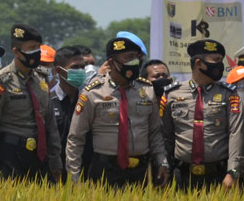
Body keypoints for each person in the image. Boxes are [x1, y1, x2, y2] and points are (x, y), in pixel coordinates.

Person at [67, 37, 168, 187]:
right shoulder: (93, 92)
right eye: (128, 57)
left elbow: (155, 132)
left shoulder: (147, 90)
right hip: (105, 169)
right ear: (112, 61)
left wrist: (162, 162)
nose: (134, 62)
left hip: (140, 169)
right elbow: (76, 138)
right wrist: (73, 177)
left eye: (136, 57)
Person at [0, 24, 62, 181]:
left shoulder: (42, 78)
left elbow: (50, 124)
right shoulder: (1, 81)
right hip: (10, 155)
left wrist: (56, 161)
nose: (37, 52)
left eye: (38, 47)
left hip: (39, 154)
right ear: (16, 52)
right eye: (32, 48)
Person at [160, 39, 243, 189]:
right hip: (182, 175)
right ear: (198, 62)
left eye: (221, 60)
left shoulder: (229, 94)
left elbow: (236, 134)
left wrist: (233, 171)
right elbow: (166, 136)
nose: (220, 65)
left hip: (219, 175)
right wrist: (164, 165)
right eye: (216, 60)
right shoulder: (172, 93)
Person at [50, 46, 93, 182]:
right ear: (58, 71)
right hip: (54, 175)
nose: (81, 71)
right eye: (75, 67)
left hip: (85, 174)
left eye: (82, 67)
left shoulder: (88, 101)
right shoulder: (47, 101)